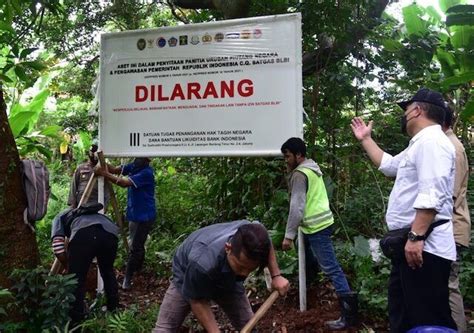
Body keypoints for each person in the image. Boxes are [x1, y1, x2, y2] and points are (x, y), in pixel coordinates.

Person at [350, 88, 457, 331]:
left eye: (407, 110)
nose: (405, 115)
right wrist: (366, 139)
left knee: (428, 321)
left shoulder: (432, 142)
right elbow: (389, 166)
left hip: (424, 248)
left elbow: (432, 193)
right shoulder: (419, 144)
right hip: (411, 248)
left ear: (417, 110)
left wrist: (416, 236)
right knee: (405, 317)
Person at [152, 220, 290, 333]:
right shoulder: (201, 263)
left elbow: (265, 237)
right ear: (228, 248)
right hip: (187, 273)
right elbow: (197, 301)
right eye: (240, 266)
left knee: (249, 327)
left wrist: (276, 275)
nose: (244, 274)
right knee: (164, 329)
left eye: (250, 269)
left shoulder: (254, 236)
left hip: (227, 279)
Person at [280, 137, 358, 329]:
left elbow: (297, 207)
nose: (286, 160)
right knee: (307, 257)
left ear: (299, 155)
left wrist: (288, 236)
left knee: (331, 268)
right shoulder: (312, 168)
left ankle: (349, 315)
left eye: (288, 156)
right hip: (319, 223)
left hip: (316, 227)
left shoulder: (300, 174)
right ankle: (310, 288)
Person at [94, 157, 156, 290]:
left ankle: (128, 278)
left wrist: (103, 173)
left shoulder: (146, 173)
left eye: (140, 158)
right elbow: (116, 170)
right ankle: (138, 268)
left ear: (146, 160)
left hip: (144, 216)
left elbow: (123, 182)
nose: (136, 159)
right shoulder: (134, 166)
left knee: (136, 247)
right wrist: (98, 160)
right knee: (137, 244)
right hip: (135, 214)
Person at [51, 204, 119, 323]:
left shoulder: (59, 217)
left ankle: (76, 319)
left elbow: (57, 247)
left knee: (76, 278)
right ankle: (114, 311)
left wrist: (67, 266)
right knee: (108, 271)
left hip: (84, 234)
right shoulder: (93, 215)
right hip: (110, 233)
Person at [442, 107, 471, 332]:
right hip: (449, 227)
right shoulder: (447, 145)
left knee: (449, 286)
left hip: (451, 228)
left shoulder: (452, 148)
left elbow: (449, 194)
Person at [68, 142, 109, 208]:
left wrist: (105, 205)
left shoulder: (103, 169)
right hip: (81, 203)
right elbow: (74, 186)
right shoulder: (81, 168)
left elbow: (107, 190)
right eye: (92, 153)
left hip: (96, 203)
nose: (94, 156)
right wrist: (72, 204)